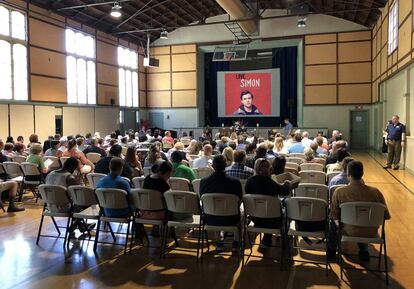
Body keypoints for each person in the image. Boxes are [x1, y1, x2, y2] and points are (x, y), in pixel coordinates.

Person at [330, 161, 391, 261]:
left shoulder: (339, 192)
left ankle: (331, 251)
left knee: (332, 221)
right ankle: (364, 251)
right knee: (363, 219)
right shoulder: (375, 192)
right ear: (362, 174)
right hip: (371, 232)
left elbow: (334, 214)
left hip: (348, 231)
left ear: (348, 174)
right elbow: (386, 216)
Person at [200, 155, 243, 251]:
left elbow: (203, 200)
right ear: (225, 165)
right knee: (242, 211)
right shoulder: (235, 182)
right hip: (231, 219)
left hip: (210, 218)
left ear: (213, 166)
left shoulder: (203, 181)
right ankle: (236, 242)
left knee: (214, 208)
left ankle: (219, 242)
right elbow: (239, 201)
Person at [245, 158, 289, 249]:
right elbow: (285, 192)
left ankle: (266, 240)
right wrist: (287, 184)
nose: (271, 169)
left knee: (266, 210)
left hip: (255, 217)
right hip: (272, 220)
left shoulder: (249, 181)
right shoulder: (270, 183)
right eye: (269, 167)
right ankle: (278, 243)